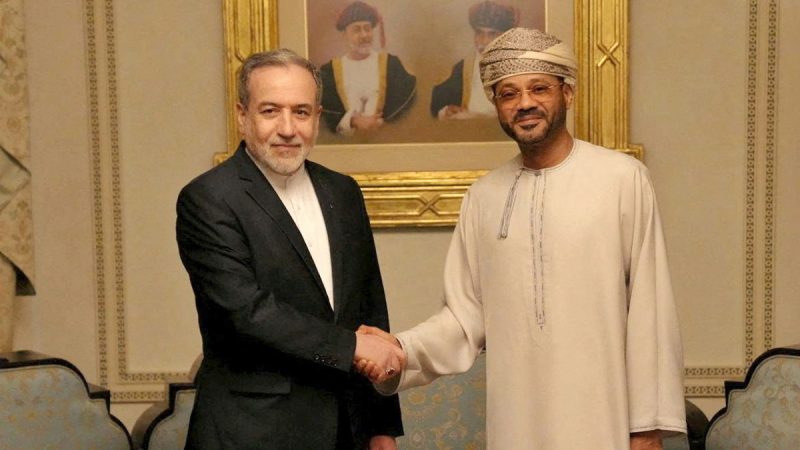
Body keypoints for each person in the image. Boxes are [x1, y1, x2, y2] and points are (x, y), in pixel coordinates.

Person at [358, 28, 686, 449]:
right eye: (508, 94)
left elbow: (650, 311)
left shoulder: (622, 180)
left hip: (605, 420)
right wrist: (402, 350)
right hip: (516, 422)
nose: (525, 103)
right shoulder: (484, 197)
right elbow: (463, 319)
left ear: (567, 93)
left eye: (539, 88)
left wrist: (646, 428)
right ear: (496, 105)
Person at [176, 49, 404, 449]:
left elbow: (370, 309)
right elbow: (246, 312)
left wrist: (381, 426)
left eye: (301, 112)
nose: (287, 128)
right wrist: (352, 347)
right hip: (251, 432)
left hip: (347, 430)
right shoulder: (208, 198)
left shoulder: (343, 192)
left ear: (317, 117)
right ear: (242, 115)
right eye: (270, 111)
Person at [319, 1, 416, 135]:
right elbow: (324, 114)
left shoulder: (391, 65)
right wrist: (353, 121)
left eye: (367, 28)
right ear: (344, 34)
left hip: (385, 139)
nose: (364, 35)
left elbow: (407, 105)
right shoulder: (329, 72)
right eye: (356, 30)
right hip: (345, 144)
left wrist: (383, 123)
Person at [430, 1, 518, 120]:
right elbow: (436, 105)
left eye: (492, 34)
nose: (484, 41)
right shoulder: (462, 68)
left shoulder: (520, 68)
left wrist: (476, 117)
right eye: (479, 33)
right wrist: (447, 110)